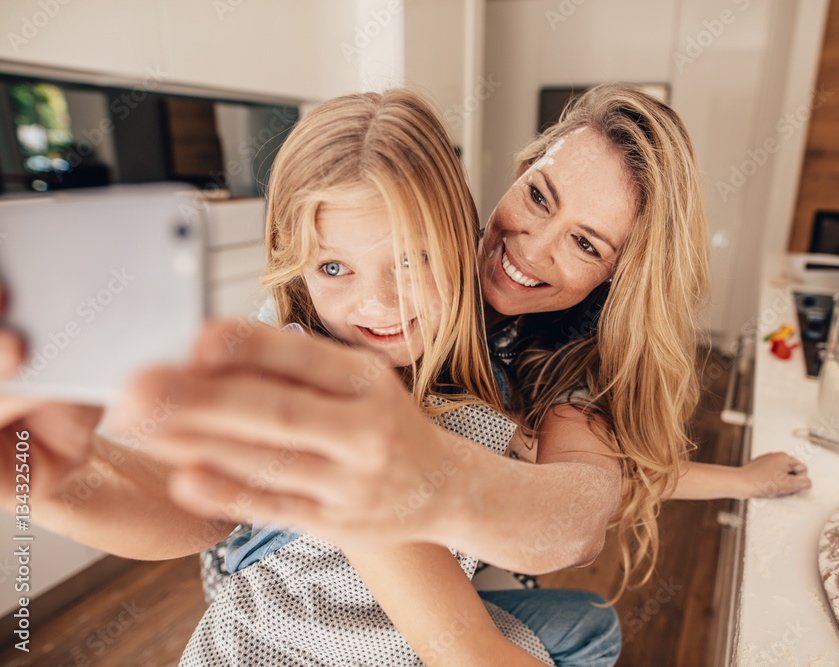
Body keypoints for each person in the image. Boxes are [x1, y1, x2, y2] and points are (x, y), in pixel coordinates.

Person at [1, 90, 623, 665]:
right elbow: (192, 502)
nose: (378, 304)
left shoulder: (486, 368)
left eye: (412, 258)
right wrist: (66, 484)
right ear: (298, 271)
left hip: (396, 635)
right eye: (333, 267)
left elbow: (586, 502)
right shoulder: (307, 378)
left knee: (592, 626)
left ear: (462, 239)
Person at [126, 85, 809, 598]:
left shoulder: (567, 362)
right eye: (540, 196)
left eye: (583, 242)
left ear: (618, 275)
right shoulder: (364, 275)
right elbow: (196, 503)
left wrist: (434, 478)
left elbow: (590, 497)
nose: (530, 250)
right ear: (521, 168)